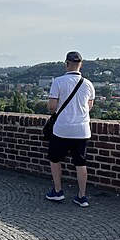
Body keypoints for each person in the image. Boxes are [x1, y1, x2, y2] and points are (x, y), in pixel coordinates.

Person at [45, 51, 95, 207]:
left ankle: (58, 191)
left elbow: (52, 107)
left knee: (55, 159)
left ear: (66, 63)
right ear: (81, 64)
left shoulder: (58, 82)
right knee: (80, 163)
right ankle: (82, 196)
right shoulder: (88, 84)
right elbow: (89, 106)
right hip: (82, 130)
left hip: (62, 129)